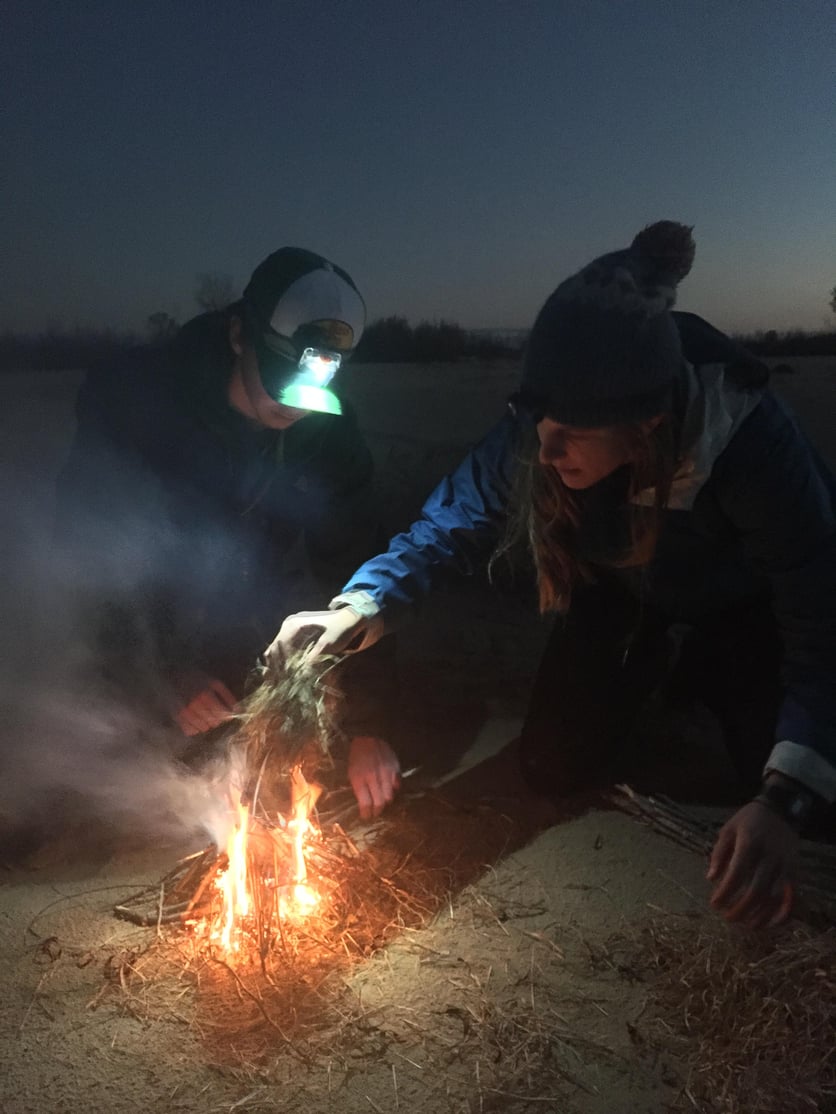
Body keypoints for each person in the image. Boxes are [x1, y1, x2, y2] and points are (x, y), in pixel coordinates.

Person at [266, 222, 836, 928]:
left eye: (572, 430)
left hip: (741, 606)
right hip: (623, 597)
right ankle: (652, 664)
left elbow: (820, 615)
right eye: (536, 418)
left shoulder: (751, 444)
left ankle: (708, 675)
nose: (545, 445)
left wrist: (785, 797)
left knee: (800, 795)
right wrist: (355, 609)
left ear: (648, 424)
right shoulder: (541, 424)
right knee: (552, 766)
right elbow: (443, 530)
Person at [54, 246, 400, 818]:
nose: (297, 406)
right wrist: (162, 675)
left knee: (255, 725)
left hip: (239, 601)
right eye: (283, 380)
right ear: (240, 335)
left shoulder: (328, 434)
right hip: (134, 617)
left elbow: (361, 569)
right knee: (124, 737)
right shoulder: (140, 405)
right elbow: (87, 560)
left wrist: (368, 724)